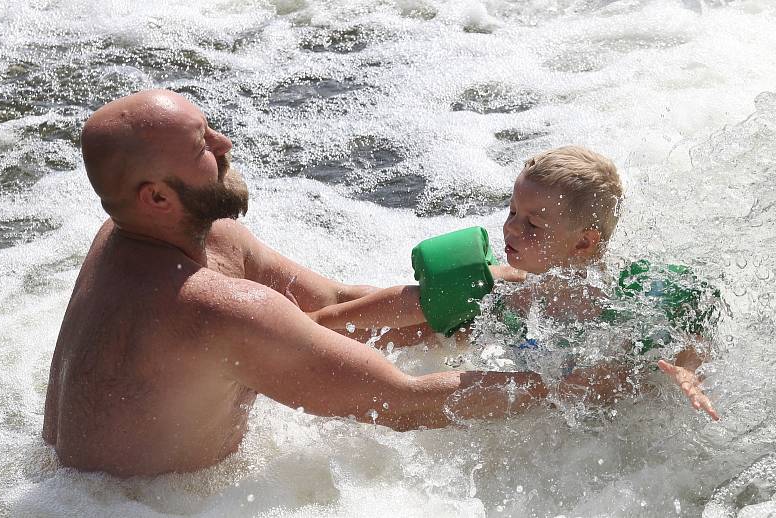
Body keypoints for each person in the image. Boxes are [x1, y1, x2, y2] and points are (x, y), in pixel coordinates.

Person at [42, 89, 557, 478]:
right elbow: (404, 405)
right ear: (156, 197)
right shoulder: (217, 310)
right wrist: (583, 387)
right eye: (203, 147)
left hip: (84, 485)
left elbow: (333, 306)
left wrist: (502, 289)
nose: (226, 145)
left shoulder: (143, 231)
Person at [309, 146, 721, 420]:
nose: (510, 229)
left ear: (583, 242)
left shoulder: (626, 295)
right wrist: (325, 319)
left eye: (533, 224)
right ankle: (316, 330)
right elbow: (423, 301)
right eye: (511, 212)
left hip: (591, 405)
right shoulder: (515, 284)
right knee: (444, 313)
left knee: (596, 380)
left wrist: (686, 368)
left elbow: (699, 312)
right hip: (532, 364)